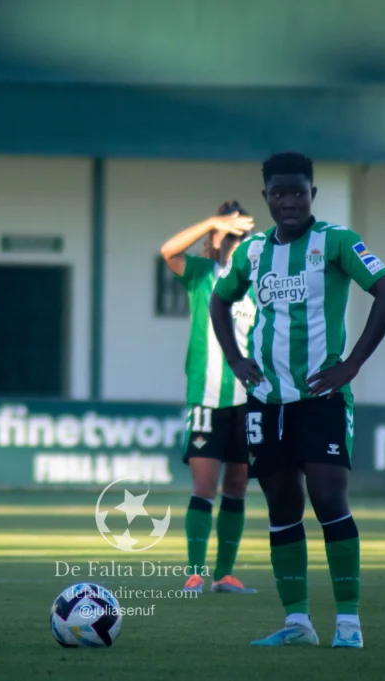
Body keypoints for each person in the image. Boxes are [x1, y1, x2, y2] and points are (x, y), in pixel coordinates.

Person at [209, 152, 385, 649]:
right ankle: (297, 623)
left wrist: (352, 363)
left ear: (312, 194)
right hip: (266, 401)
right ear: (266, 197)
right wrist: (235, 359)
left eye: (298, 191)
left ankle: (349, 626)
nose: (289, 201)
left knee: (329, 499)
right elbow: (219, 298)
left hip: (322, 398)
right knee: (282, 506)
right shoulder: (253, 252)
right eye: (279, 192)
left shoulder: (337, 242)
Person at [159, 201, 259, 595]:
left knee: (237, 485)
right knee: (204, 486)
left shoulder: (257, 279)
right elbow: (168, 251)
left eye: (239, 233)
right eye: (225, 233)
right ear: (213, 239)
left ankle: (224, 574)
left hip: (248, 399)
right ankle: (196, 573)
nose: (232, 240)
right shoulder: (202, 275)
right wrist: (210, 222)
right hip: (205, 398)